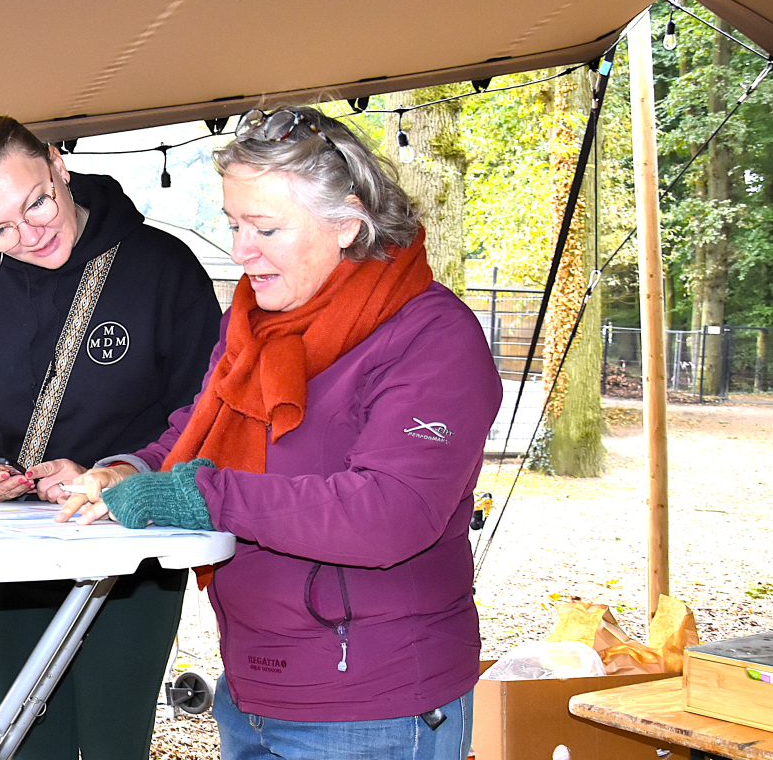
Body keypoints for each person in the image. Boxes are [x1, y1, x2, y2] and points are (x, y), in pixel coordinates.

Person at [58, 106, 502, 760]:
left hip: (377, 706)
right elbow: (194, 437)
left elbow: (390, 512)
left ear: (347, 224)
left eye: (265, 227)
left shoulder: (432, 338)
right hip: (252, 691)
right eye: (234, 224)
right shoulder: (255, 325)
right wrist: (127, 468)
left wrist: (202, 497)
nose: (240, 250)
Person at [0, 114, 221, 759]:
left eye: (37, 202)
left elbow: (206, 411)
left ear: (57, 165)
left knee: (114, 741)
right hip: (12, 553)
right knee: (25, 741)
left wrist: (115, 470)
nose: (28, 235)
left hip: (129, 546)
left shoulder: (160, 266)